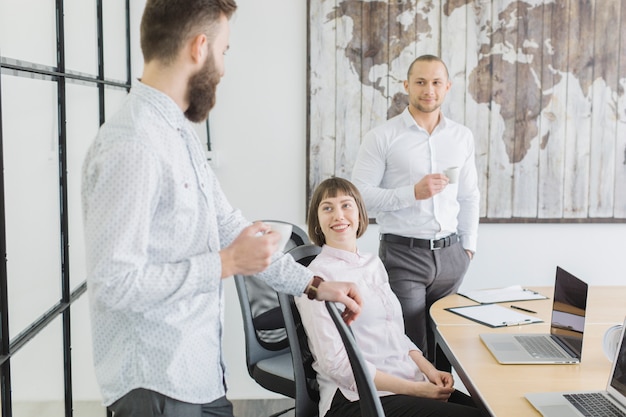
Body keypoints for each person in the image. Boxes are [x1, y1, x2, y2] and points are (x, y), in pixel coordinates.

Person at [80, 1, 362, 416]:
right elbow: (115, 284)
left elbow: (230, 226)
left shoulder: (178, 134)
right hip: (156, 386)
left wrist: (314, 286)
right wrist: (227, 263)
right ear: (199, 47)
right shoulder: (134, 143)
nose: (225, 68)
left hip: (199, 376)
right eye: (224, 50)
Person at [295, 177, 481, 417]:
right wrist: (417, 390)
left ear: (360, 215)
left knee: (491, 410)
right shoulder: (316, 280)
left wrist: (430, 371)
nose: (339, 215)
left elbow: (395, 334)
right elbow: (338, 366)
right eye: (327, 208)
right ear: (317, 222)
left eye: (346, 205)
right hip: (356, 398)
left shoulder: (373, 264)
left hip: (403, 381)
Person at [351, 54, 480, 359]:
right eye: (420, 82)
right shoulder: (382, 137)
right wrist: (413, 193)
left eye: (436, 82)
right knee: (412, 346)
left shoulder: (462, 137)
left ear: (447, 87)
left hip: (451, 257)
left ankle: (448, 407)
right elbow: (360, 197)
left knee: (446, 348)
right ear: (407, 85)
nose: (428, 89)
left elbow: (469, 195)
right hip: (404, 256)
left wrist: (468, 247)